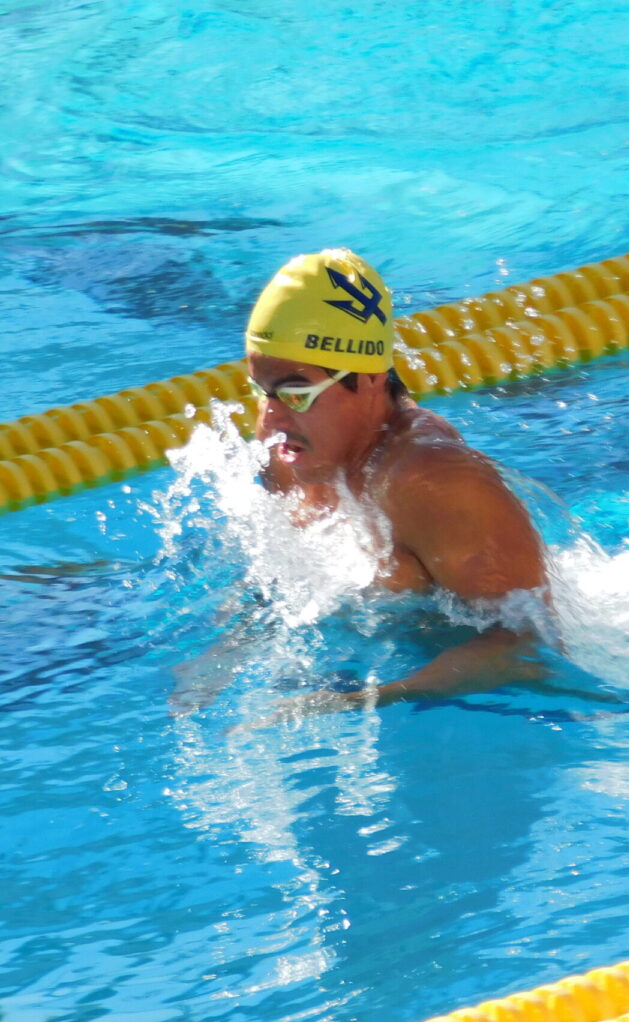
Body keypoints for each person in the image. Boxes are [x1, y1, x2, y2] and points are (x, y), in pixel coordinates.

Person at [177, 248, 549, 714]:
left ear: (370, 379)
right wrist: (221, 658)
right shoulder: (287, 448)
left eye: (296, 393)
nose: (271, 420)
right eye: (262, 391)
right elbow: (269, 578)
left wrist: (356, 702)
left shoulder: (435, 482)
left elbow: (525, 646)